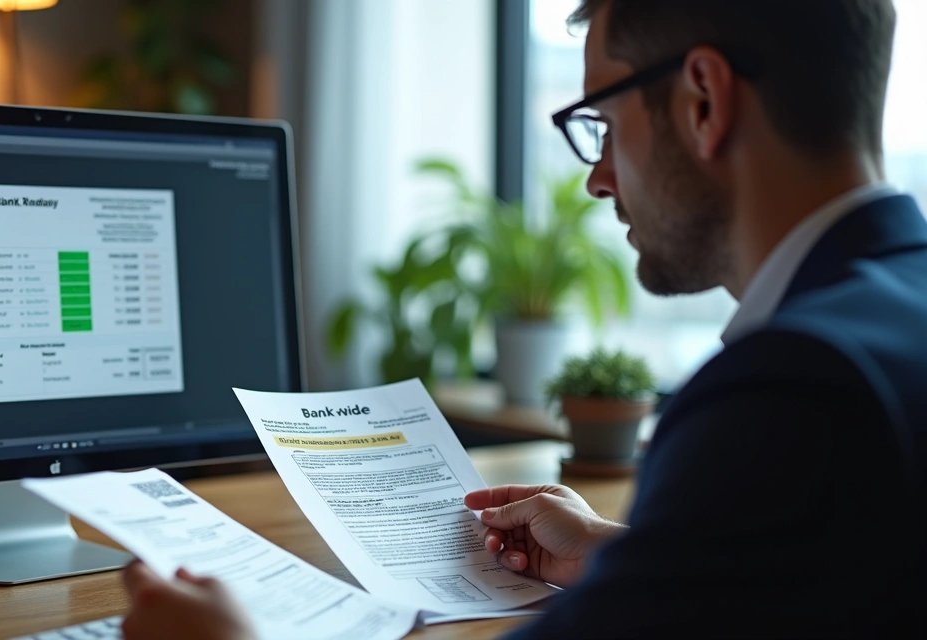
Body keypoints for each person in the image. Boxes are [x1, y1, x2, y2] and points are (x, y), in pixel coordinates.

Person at [119, 0, 927, 637]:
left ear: (705, 101)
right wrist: (630, 559)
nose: (598, 179)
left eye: (604, 125)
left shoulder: (790, 391)